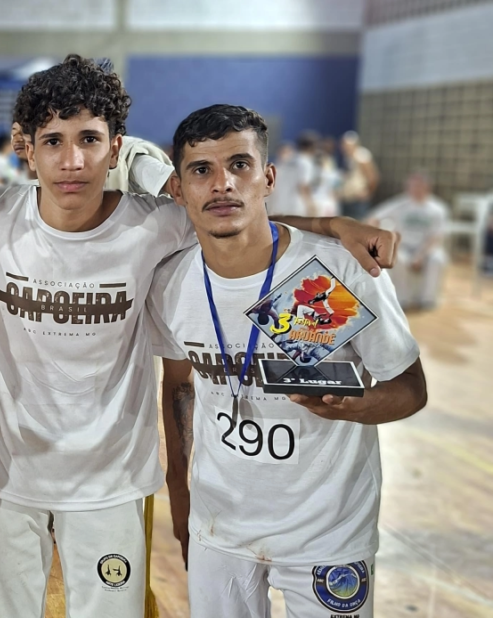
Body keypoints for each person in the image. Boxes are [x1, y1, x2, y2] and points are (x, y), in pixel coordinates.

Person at [0, 59, 399, 618]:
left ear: (116, 147)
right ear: (26, 147)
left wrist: (329, 222)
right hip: (9, 482)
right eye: (53, 141)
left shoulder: (157, 226)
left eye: (89, 139)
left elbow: (230, 209)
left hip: (110, 488)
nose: (72, 160)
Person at [148, 104, 426, 618]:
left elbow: (410, 387)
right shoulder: (170, 282)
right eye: (201, 170)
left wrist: (357, 406)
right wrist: (181, 498)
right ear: (180, 187)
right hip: (220, 525)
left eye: (240, 165)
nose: (222, 184)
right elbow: (179, 388)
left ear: (268, 177)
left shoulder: (334, 271)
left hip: (328, 530)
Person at [369, 172, 449, 310]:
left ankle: (427, 299)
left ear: (427, 187)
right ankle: (402, 298)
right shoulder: (399, 203)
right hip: (402, 246)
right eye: (412, 185)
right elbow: (374, 218)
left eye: (419, 185)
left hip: (426, 248)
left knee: (438, 259)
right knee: (397, 258)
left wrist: (420, 256)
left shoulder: (437, 208)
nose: (415, 189)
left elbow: (436, 237)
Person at [266, 131, 316, 218]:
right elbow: (303, 186)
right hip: (294, 209)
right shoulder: (304, 162)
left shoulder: (278, 168)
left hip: (282, 208)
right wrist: (310, 206)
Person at [339, 131, 380, 219]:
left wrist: (368, 193)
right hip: (348, 199)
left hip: (358, 201)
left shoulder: (362, 155)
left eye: (347, 145)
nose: (344, 148)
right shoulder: (348, 157)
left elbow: (373, 177)